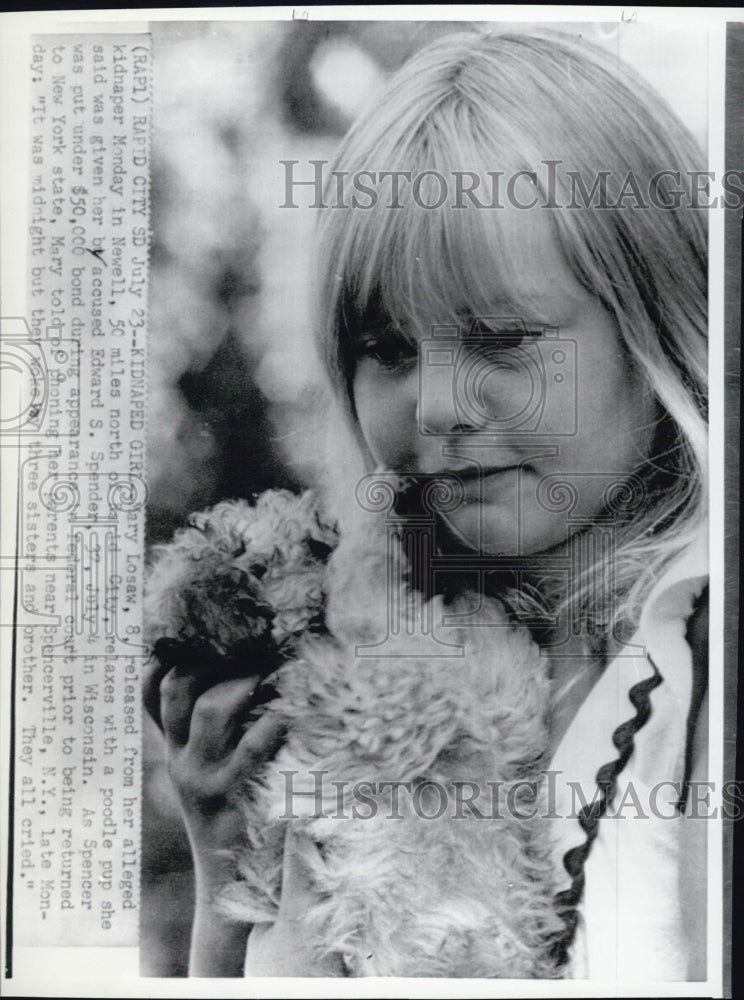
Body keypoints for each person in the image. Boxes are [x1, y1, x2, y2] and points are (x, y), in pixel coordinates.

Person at [144, 28, 709, 980]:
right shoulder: (361, 671)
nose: (440, 410)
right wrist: (227, 883)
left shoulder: (698, 658)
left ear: (652, 316)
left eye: (504, 337)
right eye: (388, 348)